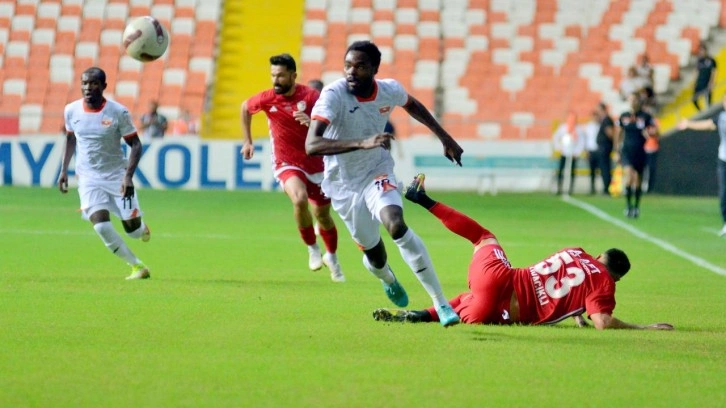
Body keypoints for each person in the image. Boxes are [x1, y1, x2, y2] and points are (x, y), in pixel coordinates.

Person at [373, 174, 674, 331]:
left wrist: (577, 313)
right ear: (616, 278)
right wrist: (643, 326)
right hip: (496, 312)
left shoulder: (578, 253)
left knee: (483, 237)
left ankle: (424, 200)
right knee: (473, 303)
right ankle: (425, 315)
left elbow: (566, 282)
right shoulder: (604, 284)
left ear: (599, 256)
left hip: (495, 276)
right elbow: (603, 322)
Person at [305, 40, 463, 327]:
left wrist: (444, 137)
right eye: (348, 65)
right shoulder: (333, 94)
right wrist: (361, 142)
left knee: (396, 224)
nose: (352, 72)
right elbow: (312, 144)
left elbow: (413, 105)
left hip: (377, 171)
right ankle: (387, 278)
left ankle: (441, 304)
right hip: (343, 184)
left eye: (360, 66)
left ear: (375, 69)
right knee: (375, 256)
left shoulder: (388, 89)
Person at [241, 53, 344, 282]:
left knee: (323, 215)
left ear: (293, 76)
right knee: (299, 199)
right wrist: (247, 141)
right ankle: (312, 248)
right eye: (273, 75)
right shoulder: (268, 98)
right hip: (286, 162)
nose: (275, 80)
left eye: (280, 76)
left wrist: (313, 125)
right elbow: (245, 108)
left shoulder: (312, 96)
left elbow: (333, 125)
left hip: (317, 163)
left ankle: (333, 257)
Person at [58, 67, 151, 280]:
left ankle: (142, 227)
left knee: (134, 232)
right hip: (88, 178)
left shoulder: (118, 112)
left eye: (93, 84)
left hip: (117, 177)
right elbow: (71, 139)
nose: (88, 88)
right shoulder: (71, 110)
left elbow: (135, 144)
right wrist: (64, 170)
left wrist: (128, 176)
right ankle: (137, 266)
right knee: (100, 225)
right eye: (84, 83)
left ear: (104, 86)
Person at [678, 95, 726, 237]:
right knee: (724, 193)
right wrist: (689, 124)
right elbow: (709, 124)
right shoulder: (722, 117)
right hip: (723, 159)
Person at [616, 93, 657, 218]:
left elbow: (654, 132)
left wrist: (650, 133)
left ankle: (636, 207)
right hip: (627, 150)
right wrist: (617, 149)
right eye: (631, 100)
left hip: (640, 151)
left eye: (635, 100)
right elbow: (619, 133)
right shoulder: (624, 116)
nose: (633, 102)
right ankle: (628, 206)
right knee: (628, 175)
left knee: (637, 180)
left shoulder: (646, 116)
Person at [552, 112, 584, 195]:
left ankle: (570, 188)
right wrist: (559, 148)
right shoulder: (563, 128)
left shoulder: (578, 129)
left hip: (573, 154)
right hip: (564, 152)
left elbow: (581, 142)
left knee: (572, 171)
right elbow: (556, 138)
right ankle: (559, 187)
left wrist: (576, 152)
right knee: (561, 171)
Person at [595, 102, 615, 195]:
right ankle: (606, 187)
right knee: (604, 168)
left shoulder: (607, 120)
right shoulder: (604, 120)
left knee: (605, 168)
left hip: (605, 147)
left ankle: (607, 188)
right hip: (603, 147)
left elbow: (610, 133)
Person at [581, 110, 601, 195]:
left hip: (599, 150)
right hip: (591, 151)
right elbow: (585, 140)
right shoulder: (588, 127)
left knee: (601, 170)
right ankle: (592, 188)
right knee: (591, 170)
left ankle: (603, 188)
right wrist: (585, 150)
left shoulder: (600, 126)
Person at [693, 44, 717, 111]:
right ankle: (701, 112)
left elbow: (714, 72)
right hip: (700, 83)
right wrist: (694, 82)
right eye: (700, 50)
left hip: (707, 82)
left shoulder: (711, 60)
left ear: (705, 50)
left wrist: (712, 82)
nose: (701, 52)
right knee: (694, 99)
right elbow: (696, 72)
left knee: (708, 100)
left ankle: (709, 112)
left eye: (702, 50)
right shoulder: (699, 61)